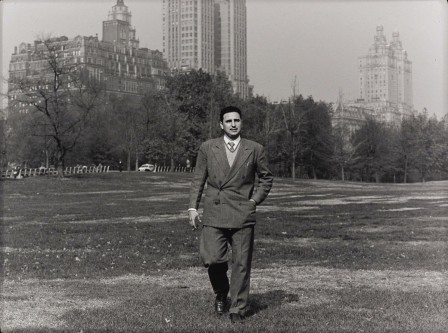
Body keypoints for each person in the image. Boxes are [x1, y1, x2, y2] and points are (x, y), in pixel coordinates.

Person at [188, 106, 273, 323]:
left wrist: (254, 201)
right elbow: (198, 179)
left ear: (241, 123)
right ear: (221, 125)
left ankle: (238, 309)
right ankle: (221, 292)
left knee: (241, 263)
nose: (233, 124)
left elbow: (266, 179)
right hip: (214, 211)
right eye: (228, 121)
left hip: (242, 213)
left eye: (236, 120)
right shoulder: (208, 148)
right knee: (212, 258)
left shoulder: (255, 149)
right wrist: (192, 208)